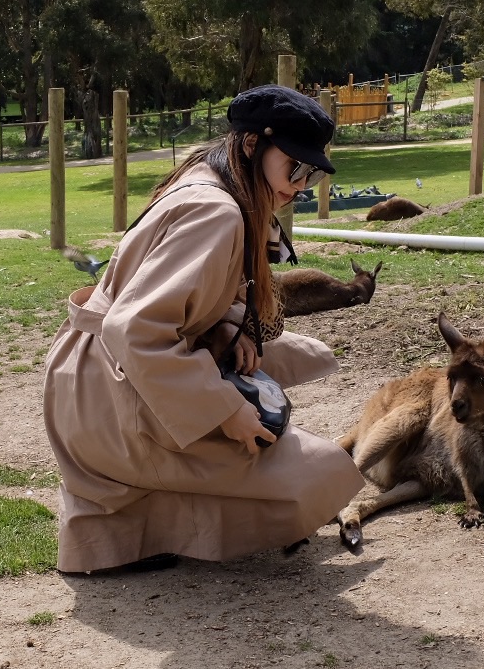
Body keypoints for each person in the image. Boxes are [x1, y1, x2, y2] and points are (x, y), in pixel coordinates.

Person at [43, 84, 363, 575]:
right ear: (253, 146)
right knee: (322, 474)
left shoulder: (203, 178)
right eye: (295, 167)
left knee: (299, 356)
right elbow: (134, 330)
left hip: (83, 383)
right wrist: (224, 408)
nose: (300, 184)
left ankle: (120, 534)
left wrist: (229, 324)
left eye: (312, 173)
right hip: (110, 396)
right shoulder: (217, 209)